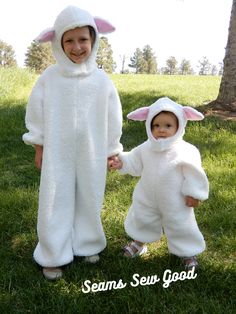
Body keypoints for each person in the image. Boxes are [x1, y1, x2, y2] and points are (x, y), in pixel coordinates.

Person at [22, 5, 123, 280]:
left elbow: (113, 118)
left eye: (83, 40)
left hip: (92, 152)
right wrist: (39, 146)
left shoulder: (102, 81)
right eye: (69, 40)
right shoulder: (50, 79)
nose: (77, 47)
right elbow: (37, 114)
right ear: (57, 42)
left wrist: (111, 150)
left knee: (90, 196)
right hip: (58, 152)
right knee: (55, 198)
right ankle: (53, 253)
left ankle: (87, 243)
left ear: (94, 40)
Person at [110, 97, 209, 269]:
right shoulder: (146, 148)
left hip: (176, 200)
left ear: (179, 126)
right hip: (147, 196)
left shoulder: (186, 150)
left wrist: (194, 193)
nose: (161, 130)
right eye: (156, 125)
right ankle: (139, 242)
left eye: (168, 126)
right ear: (149, 125)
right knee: (143, 218)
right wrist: (121, 162)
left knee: (181, 225)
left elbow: (194, 173)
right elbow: (134, 161)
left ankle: (187, 252)